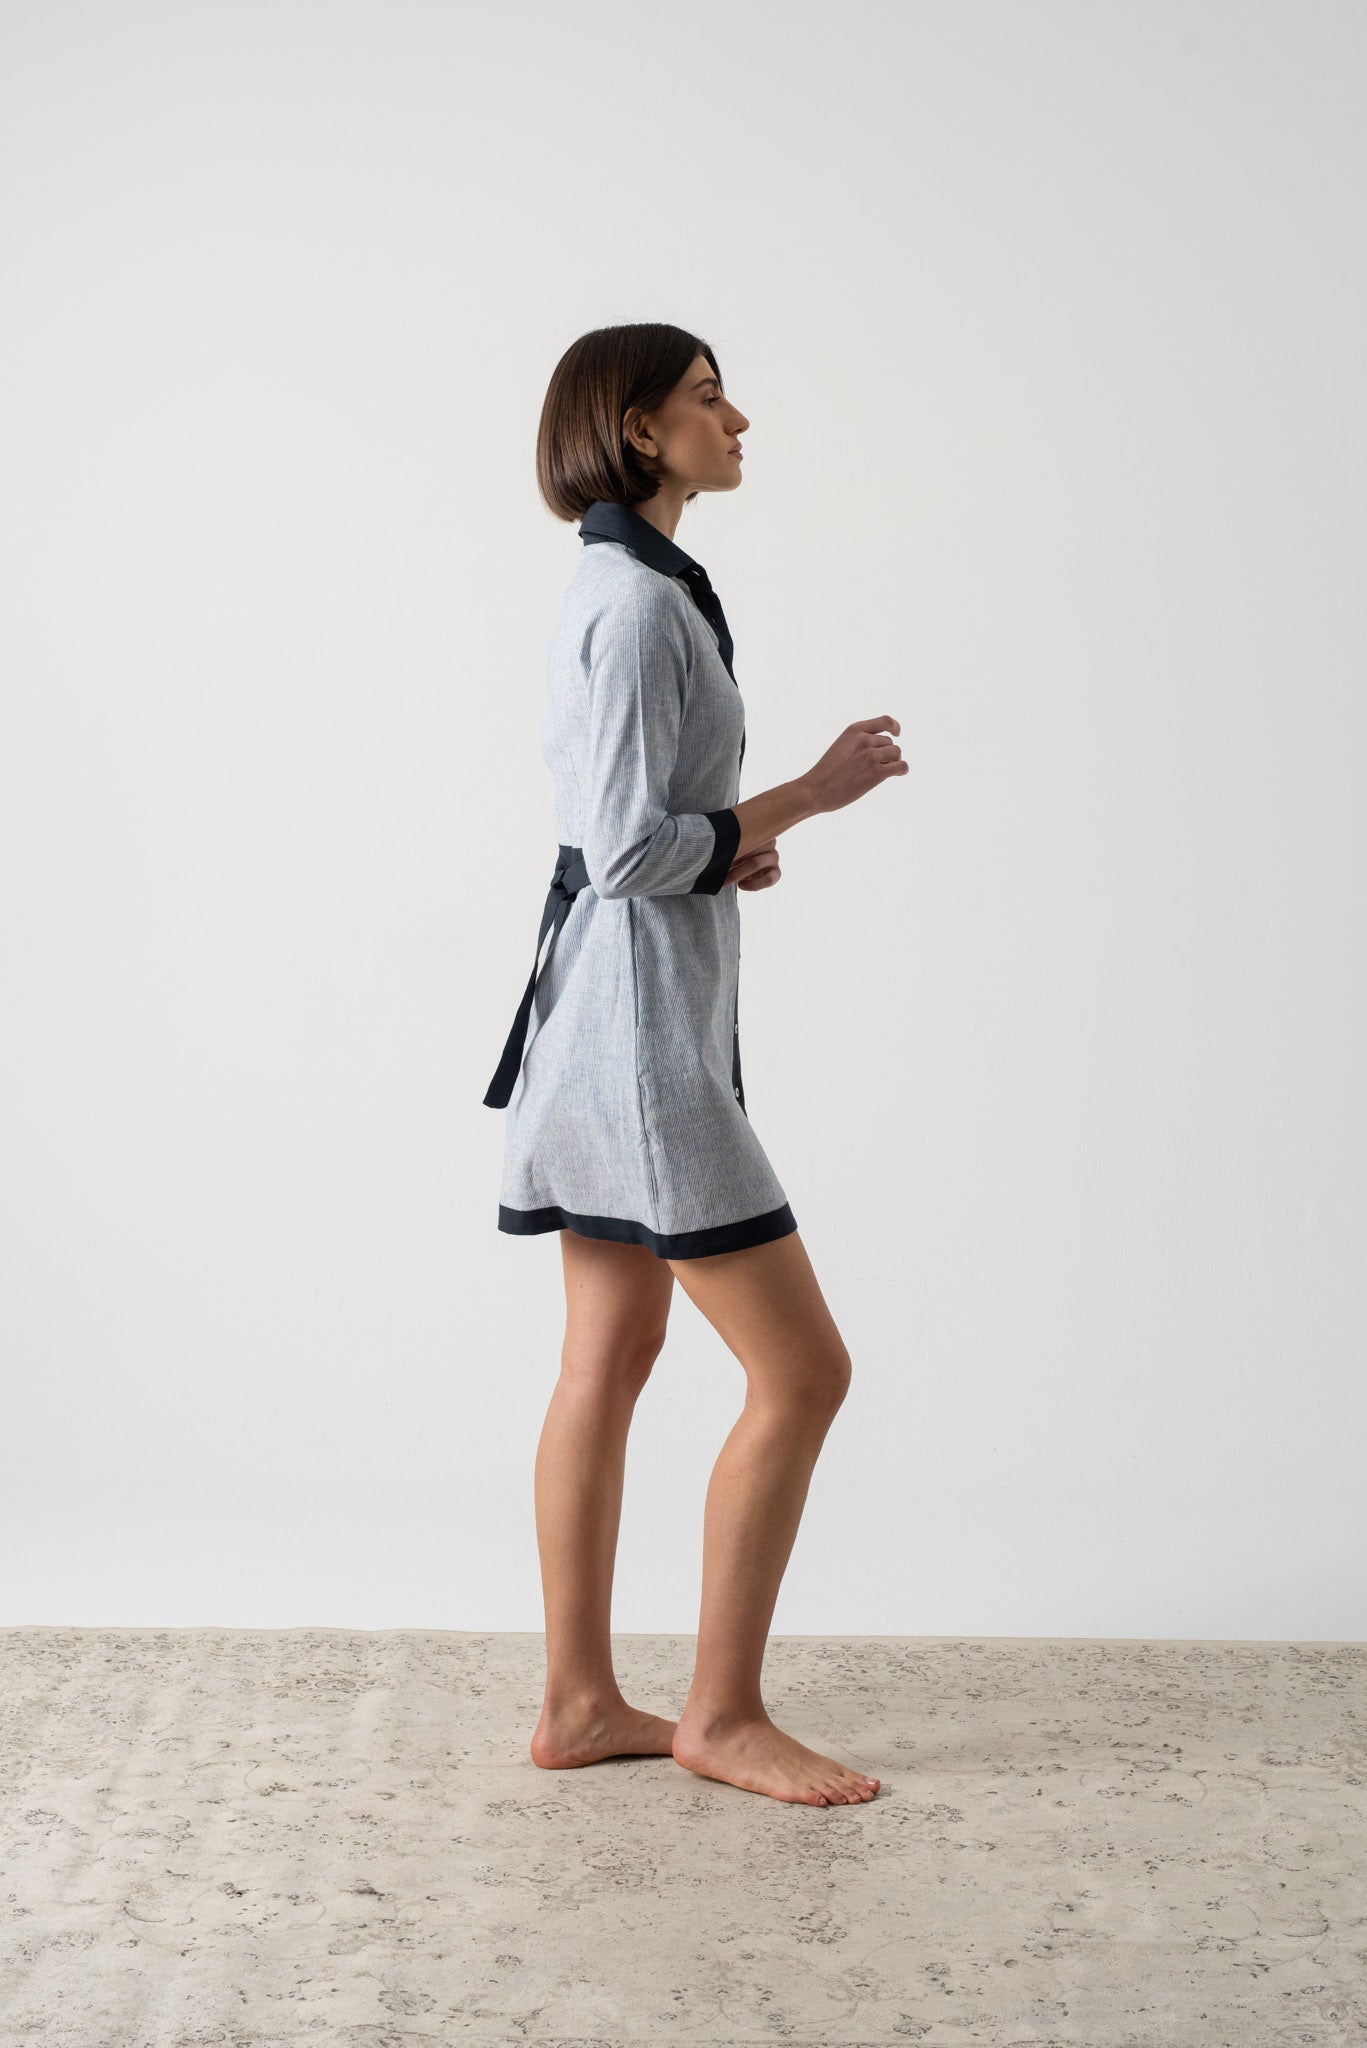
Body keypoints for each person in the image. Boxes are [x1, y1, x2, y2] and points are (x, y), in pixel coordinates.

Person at [484, 323, 907, 1807]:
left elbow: (648, 837)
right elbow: (621, 852)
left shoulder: (639, 586)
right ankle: (721, 1717)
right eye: (709, 397)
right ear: (639, 430)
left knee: (606, 1360)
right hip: (640, 1055)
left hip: (608, 1029)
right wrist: (806, 796)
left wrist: (726, 850)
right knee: (804, 1371)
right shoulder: (633, 606)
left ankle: (579, 1706)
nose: (739, 419)